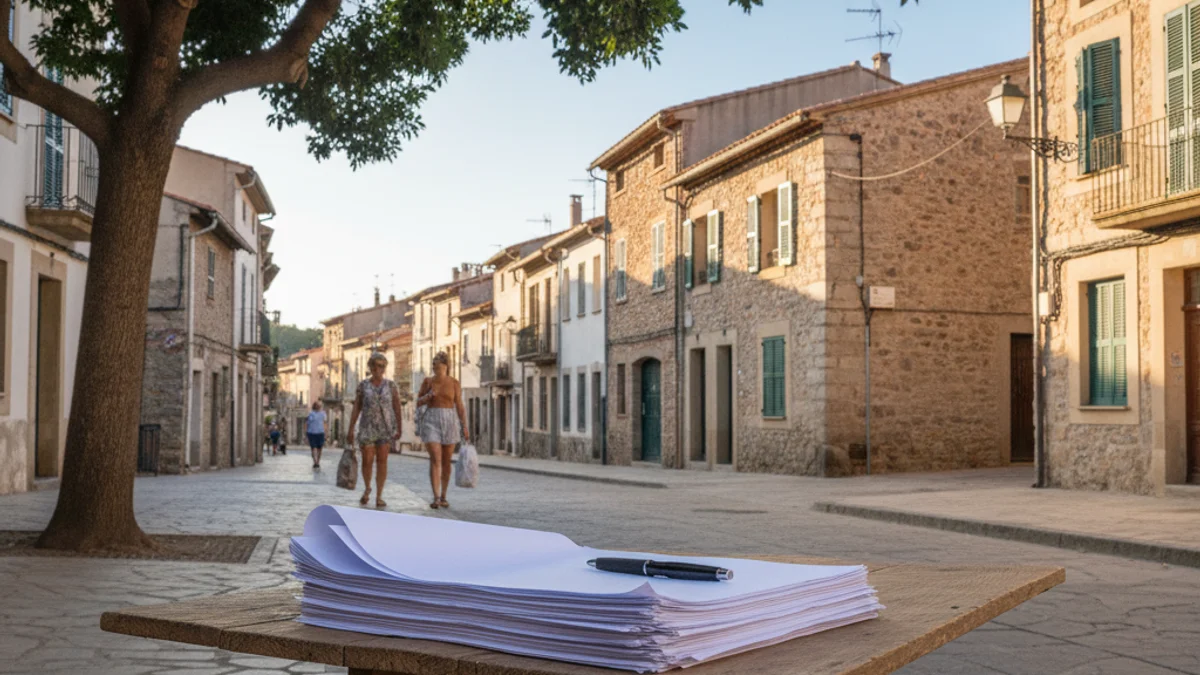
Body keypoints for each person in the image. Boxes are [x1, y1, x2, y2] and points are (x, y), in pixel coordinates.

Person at [346, 352, 403, 508]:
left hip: (385, 428)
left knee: (382, 461)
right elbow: (356, 408)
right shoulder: (363, 386)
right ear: (370, 367)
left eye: (381, 366)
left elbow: (397, 407)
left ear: (384, 368)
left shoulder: (391, 386)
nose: (378, 369)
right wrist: (350, 430)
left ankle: (379, 495)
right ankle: (367, 488)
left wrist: (399, 427)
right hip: (367, 427)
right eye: (375, 366)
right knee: (367, 461)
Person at [417, 350, 468, 510]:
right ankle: (436, 497)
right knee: (435, 459)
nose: (435, 368)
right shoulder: (427, 382)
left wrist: (464, 426)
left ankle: (444, 495)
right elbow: (418, 402)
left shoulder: (454, 383)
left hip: (450, 421)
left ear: (446, 366)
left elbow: (459, 405)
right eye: (434, 366)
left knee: (446, 461)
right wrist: (427, 397)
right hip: (432, 420)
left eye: (438, 365)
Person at [307, 401, 328, 468]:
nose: (319, 406)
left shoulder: (323, 414)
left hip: (320, 433)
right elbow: (307, 423)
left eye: (320, 405)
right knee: (314, 448)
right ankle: (315, 462)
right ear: (314, 406)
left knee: (320, 449)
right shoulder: (311, 414)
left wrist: (326, 432)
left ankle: (318, 461)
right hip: (312, 433)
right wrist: (306, 433)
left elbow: (325, 423)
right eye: (317, 405)